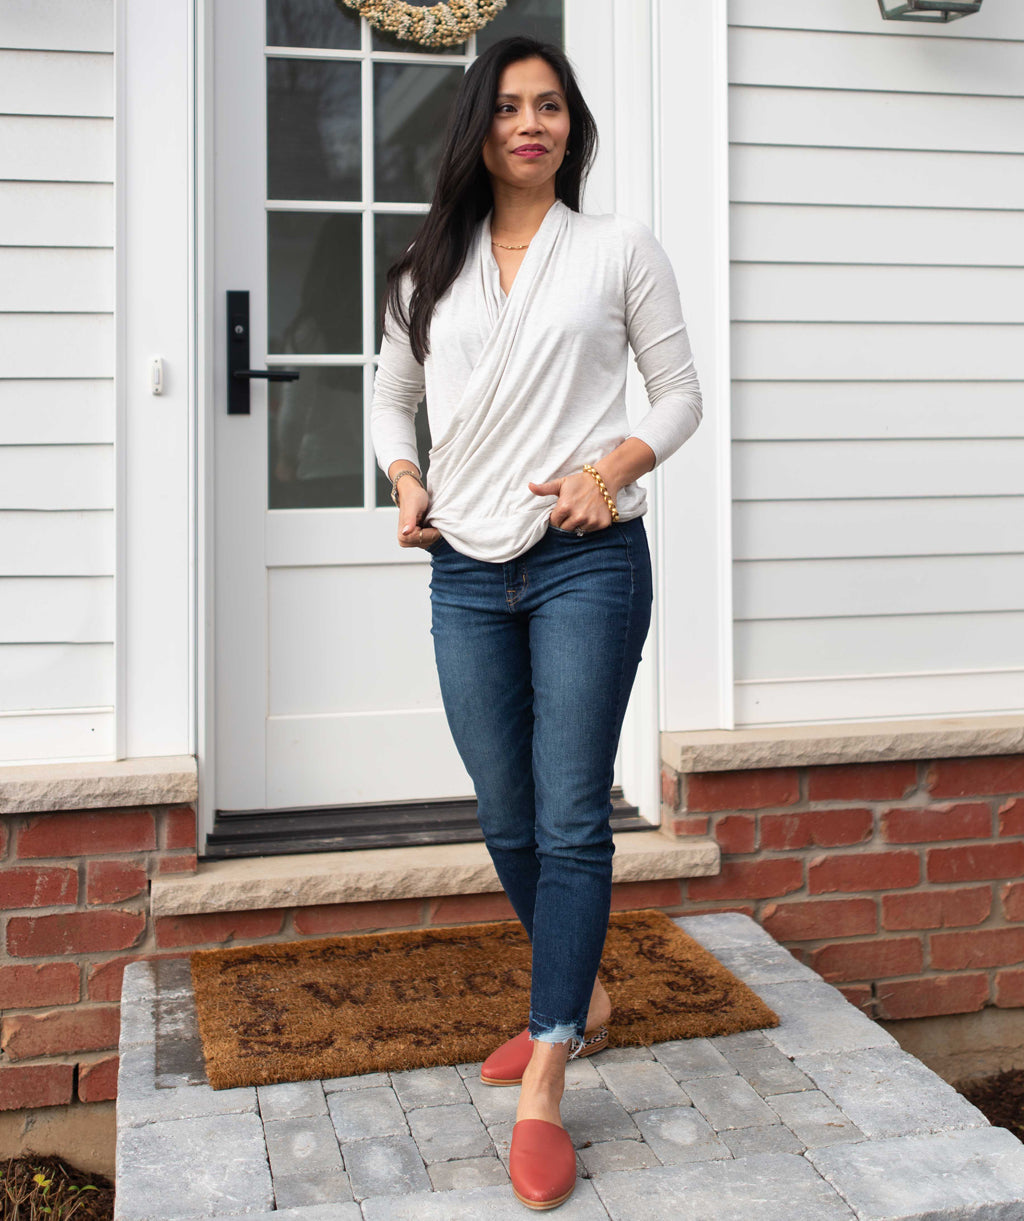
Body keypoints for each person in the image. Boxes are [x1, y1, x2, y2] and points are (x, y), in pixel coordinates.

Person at [371, 34, 702, 1211]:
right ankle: (586, 994)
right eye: (510, 106)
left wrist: (608, 471)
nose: (531, 124)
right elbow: (391, 395)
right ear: (479, 128)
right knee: (505, 809)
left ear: (572, 126)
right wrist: (405, 479)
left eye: (550, 106)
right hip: (463, 566)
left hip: (586, 564)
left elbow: (678, 396)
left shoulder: (618, 248)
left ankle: (549, 1066)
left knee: (569, 814)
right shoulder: (426, 268)